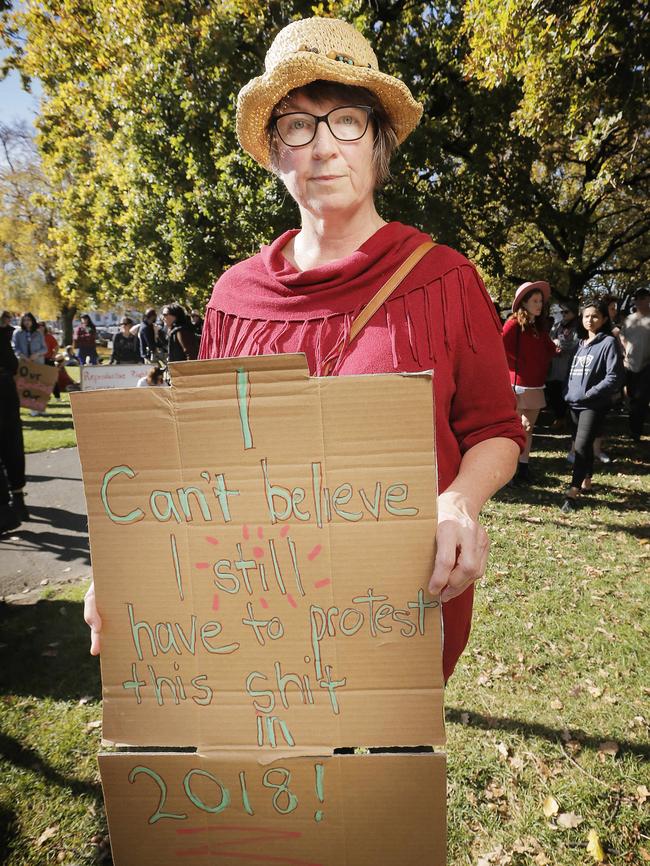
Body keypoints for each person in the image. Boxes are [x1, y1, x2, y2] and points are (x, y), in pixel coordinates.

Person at [84, 17, 524, 679]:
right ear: (274, 153)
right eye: (297, 126)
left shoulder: (446, 280)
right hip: (263, 623)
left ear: (378, 142)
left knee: (375, 779)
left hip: (396, 613)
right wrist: (131, 566)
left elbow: (495, 430)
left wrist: (459, 501)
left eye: (347, 121)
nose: (323, 148)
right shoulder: (232, 295)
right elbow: (205, 465)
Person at [560, 299, 625, 513]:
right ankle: (587, 477)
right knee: (583, 445)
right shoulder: (579, 343)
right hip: (573, 402)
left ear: (605, 319)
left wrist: (590, 394)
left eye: (595, 316)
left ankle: (573, 491)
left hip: (593, 405)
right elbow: (570, 372)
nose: (590, 319)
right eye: (587, 315)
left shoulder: (608, 342)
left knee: (580, 446)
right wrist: (567, 393)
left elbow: (613, 376)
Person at [502, 281, 557, 484]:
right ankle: (510, 468)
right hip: (517, 384)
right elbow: (500, 346)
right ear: (523, 302)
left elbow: (550, 348)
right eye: (534, 300)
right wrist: (516, 364)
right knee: (518, 427)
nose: (539, 304)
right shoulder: (513, 323)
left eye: (540, 301)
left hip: (536, 384)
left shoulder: (538, 327)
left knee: (528, 428)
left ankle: (523, 467)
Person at [0, 309, 28, 532]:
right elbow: (12, 364)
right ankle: (17, 499)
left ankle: (9, 506)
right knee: (12, 444)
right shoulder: (4, 337)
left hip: (4, 392)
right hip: (6, 392)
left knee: (9, 444)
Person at [620, 287, 650, 441]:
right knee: (632, 397)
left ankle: (636, 431)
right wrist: (625, 353)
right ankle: (633, 427)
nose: (639, 300)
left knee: (641, 398)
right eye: (637, 298)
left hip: (647, 365)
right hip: (630, 364)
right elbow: (622, 337)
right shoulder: (629, 319)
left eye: (643, 297)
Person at [546, 301, 579, 430]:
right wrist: (553, 345)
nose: (563, 314)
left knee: (566, 392)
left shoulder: (578, 326)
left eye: (566, 312)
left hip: (569, 365)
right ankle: (559, 418)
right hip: (555, 365)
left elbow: (577, 343)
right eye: (562, 312)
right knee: (554, 391)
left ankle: (566, 419)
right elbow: (549, 339)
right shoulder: (557, 325)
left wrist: (561, 345)